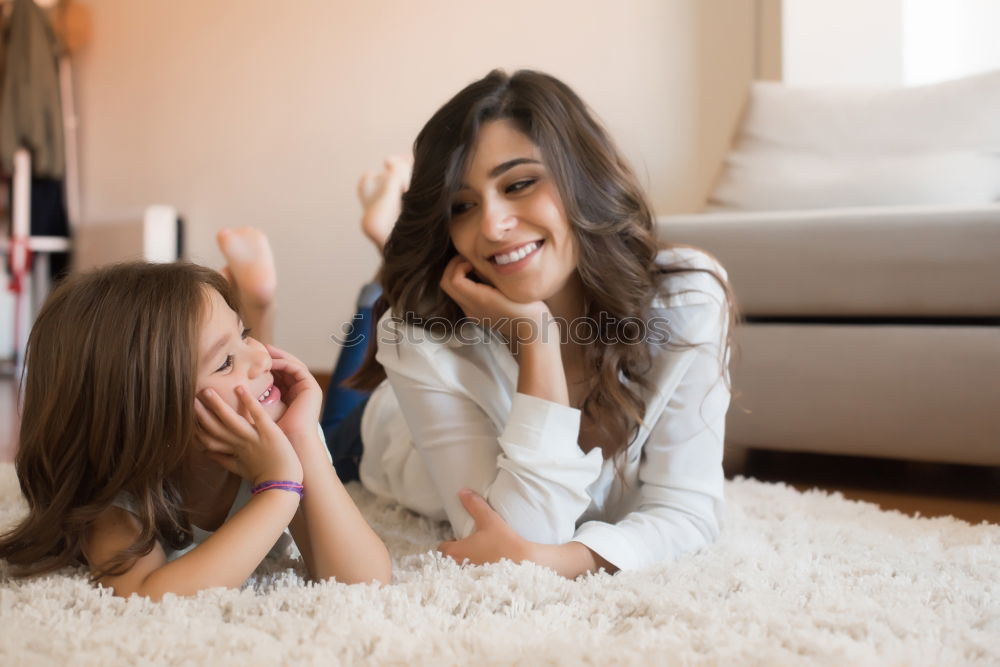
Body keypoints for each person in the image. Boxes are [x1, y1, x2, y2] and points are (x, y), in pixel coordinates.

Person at [323, 69, 737, 577]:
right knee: (329, 424)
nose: (492, 226)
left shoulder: (685, 299)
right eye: (462, 207)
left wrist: (564, 560)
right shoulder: (419, 335)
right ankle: (365, 254)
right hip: (378, 434)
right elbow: (511, 539)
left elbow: (688, 513)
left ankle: (384, 239)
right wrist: (534, 342)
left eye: (519, 184)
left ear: (583, 179)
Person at [0, 231, 392, 599]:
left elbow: (364, 583)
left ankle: (263, 300)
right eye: (224, 362)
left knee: (347, 393)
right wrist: (277, 492)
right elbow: (147, 599)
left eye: (245, 333)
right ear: (144, 412)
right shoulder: (117, 501)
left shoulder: (286, 434)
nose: (261, 356)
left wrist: (302, 438)